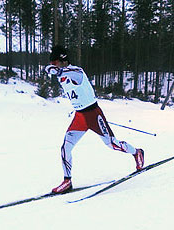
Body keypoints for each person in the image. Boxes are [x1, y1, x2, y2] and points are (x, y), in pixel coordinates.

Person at [45, 45, 144, 194]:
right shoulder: (61, 73)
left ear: (62, 60)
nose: (53, 65)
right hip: (79, 116)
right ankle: (67, 181)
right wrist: (51, 69)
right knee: (65, 148)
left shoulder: (76, 72)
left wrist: (55, 70)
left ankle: (137, 152)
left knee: (112, 144)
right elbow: (56, 72)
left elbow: (64, 72)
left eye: (55, 62)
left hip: (93, 114)